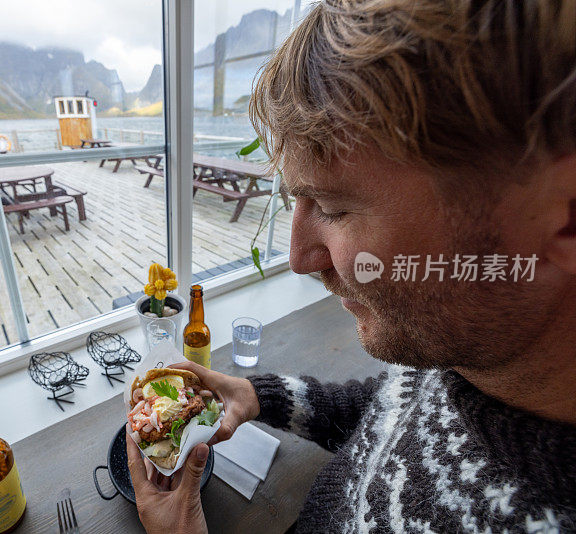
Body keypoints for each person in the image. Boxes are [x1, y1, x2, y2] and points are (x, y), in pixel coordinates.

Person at [126, 1, 576, 532]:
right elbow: (391, 409)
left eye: (335, 209)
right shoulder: (469, 356)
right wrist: (258, 396)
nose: (298, 259)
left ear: (564, 217)